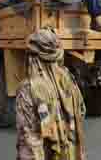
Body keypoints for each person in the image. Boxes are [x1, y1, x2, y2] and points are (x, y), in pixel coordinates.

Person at [16, 28, 86, 160]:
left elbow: (28, 136)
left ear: (33, 56)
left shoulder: (28, 88)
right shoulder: (68, 78)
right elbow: (81, 111)